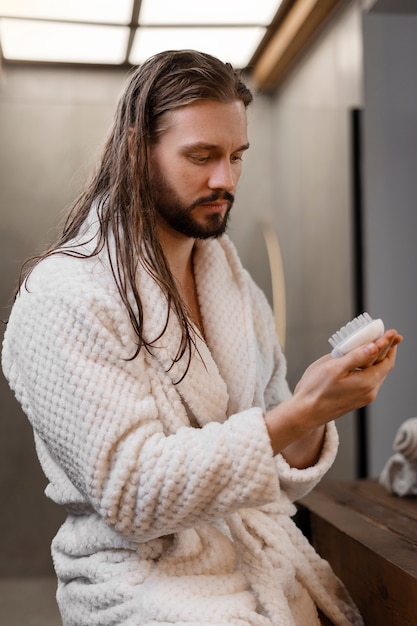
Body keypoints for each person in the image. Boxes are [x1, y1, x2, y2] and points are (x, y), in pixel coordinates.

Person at [2, 50, 401, 626]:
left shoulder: (233, 287)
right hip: (139, 584)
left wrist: (316, 408)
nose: (226, 179)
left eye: (237, 156)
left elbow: (278, 470)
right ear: (139, 150)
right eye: (202, 156)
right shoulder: (64, 294)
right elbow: (132, 493)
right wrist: (297, 413)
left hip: (257, 563)